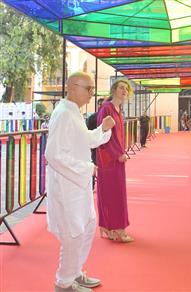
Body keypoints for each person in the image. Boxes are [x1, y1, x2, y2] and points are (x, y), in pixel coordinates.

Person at [45, 72, 115, 292]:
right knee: (73, 234)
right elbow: (53, 154)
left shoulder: (73, 112)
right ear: (72, 87)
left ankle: (75, 272)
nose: (91, 94)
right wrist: (86, 168)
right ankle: (64, 282)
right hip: (68, 187)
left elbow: (85, 141)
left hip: (78, 185)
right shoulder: (64, 113)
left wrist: (102, 129)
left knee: (86, 226)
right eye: (89, 89)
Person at [96, 79, 134, 243]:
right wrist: (117, 154)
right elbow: (105, 136)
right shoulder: (107, 108)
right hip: (109, 159)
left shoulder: (118, 110)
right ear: (114, 90)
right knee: (113, 193)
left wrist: (121, 153)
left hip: (117, 158)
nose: (124, 90)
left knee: (114, 193)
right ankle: (117, 230)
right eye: (121, 87)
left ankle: (111, 229)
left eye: (126, 88)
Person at [86, 98, 105, 189]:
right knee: (93, 165)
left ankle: (103, 185)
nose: (101, 106)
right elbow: (88, 130)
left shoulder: (108, 117)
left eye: (103, 104)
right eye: (100, 104)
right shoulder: (92, 117)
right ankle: (92, 184)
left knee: (104, 167)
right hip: (94, 146)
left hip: (105, 146)